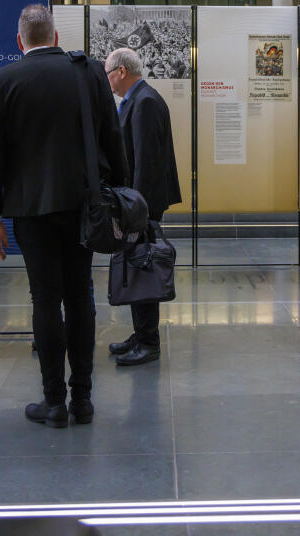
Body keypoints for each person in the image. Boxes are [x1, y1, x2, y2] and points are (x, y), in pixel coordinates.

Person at [0, 4, 128, 428]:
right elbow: (111, 138)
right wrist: (121, 193)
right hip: (85, 205)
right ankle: (83, 399)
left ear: (19, 41)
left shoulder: (2, 81)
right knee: (81, 294)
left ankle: (53, 402)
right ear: (57, 37)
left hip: (31, 209)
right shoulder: (88, 73)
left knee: (44, 298)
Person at [104, 47, 181, 367]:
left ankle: (149, 341)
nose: (107, 80)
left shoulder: (145, 102)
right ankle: (141, 333)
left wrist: (136, 209)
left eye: (108, 73)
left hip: (143, 205)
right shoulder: (140, 99)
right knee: (137, 265)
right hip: (140, 203)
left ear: (121, 71)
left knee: (143, 266)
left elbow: (146, 163)